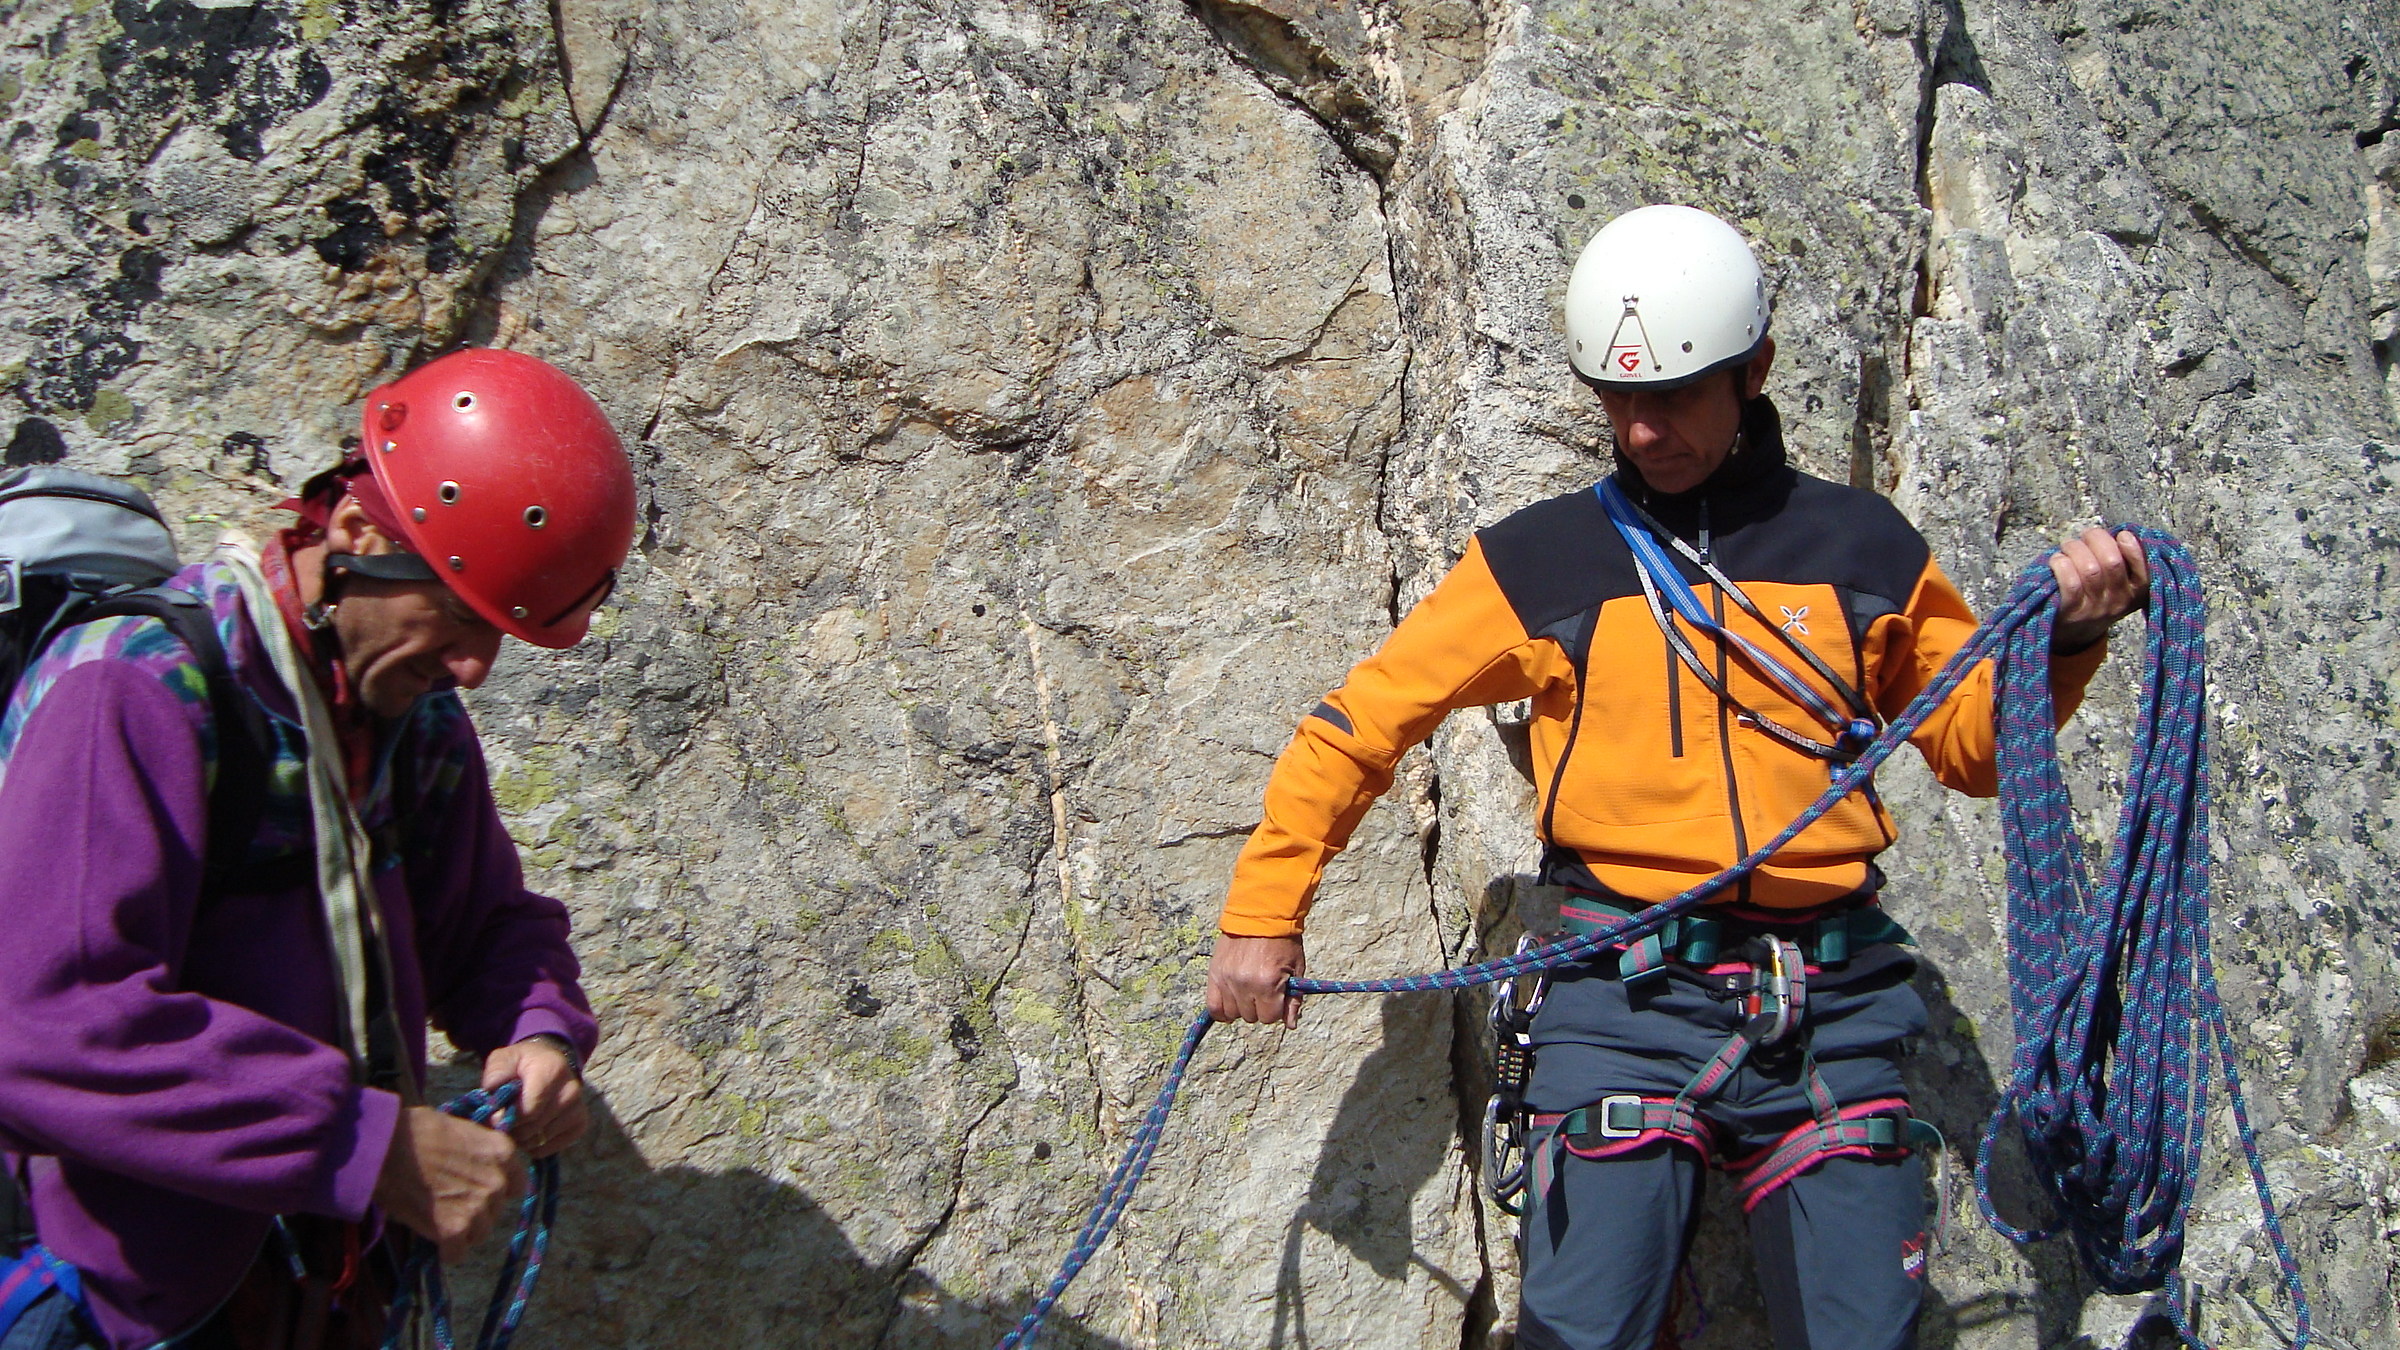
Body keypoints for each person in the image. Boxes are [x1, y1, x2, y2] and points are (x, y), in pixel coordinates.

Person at [1203, 205, 2149, 1350]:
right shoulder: (1543, 560)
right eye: (1618, 400)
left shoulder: (1865, 550)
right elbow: (1357, 725)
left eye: (1676, 397)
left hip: (1832, 1007)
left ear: (1754, 371)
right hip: (1621, 1000)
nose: (1643, 433)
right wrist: (1263, 917)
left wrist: (2067, 643)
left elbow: (1976, 751)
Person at [0, 348, 638, 1349]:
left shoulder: (406, 718)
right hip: (144, 1313)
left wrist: (538, 1029)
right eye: (461, 620)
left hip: (322, 1292)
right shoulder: (135, 691)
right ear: (352, 534)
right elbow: (46, 1021)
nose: (475, 667)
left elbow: (487, 927)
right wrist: (363, 1143)